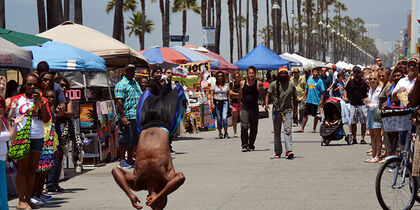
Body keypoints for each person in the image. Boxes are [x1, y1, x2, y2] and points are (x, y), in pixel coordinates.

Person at [111, 79, 187, 210]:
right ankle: (166, 80)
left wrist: (130, 195)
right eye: (155, 204)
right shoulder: (167, 179)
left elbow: (115, 170)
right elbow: (180, 177)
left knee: (150, 90)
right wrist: (160, 195)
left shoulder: (137, 183)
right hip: (165, 121)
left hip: (145, 123)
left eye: (150, 205)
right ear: (162, 200)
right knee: (172, 91)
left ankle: (157, 82)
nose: (149, 202)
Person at [10, 73, 51, 209]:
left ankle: (28, 199)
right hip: (22, 137)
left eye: (35, 84)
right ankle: (21, 201)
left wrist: (41, 103)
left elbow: (46, 119)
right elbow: (8, 114)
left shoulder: (42, 100)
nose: (32, 87)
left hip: (37, 137)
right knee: (22, 169)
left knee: (32, 170)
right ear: (24, 85)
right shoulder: (17, 99)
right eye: (29, 84)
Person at [32, 89, 59, 206]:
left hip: (49, 142)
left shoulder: (51, 109)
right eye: (48, 97)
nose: (51, 99)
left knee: (44, 170)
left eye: (53, 97)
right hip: (42, 141)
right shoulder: (41, 105)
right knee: (38, 170)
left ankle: (38, 194)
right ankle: (34, 194)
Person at [265, 67, 297, 159]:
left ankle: (289, 151)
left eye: (285, 73)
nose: (283, 75)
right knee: (277, 132)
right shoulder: (274, 84)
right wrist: (266, 104)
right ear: (278, 74)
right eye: (281, 73)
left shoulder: (291, 85)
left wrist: (295, 112)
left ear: (287, 75)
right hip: (276, 111)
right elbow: (268, 94)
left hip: (287, 111)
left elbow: (295, 99)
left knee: (287, 131)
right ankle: (278, 152)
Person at [115, 64, 143, 169]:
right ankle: (122, 160)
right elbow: (119, 101)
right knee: (124, 138)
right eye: (130, 71)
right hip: (127, 115)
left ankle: (130, 159)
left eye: (133, 71)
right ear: (125, 72)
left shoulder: (135, 83)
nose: (132, 73)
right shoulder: (121, 84)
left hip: (136, 116)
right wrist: (122, 116)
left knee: (133, 139)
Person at [0, 97, 23, 210]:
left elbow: (12, 136)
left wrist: (15, 125)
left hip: (3, 159)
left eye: (1, 107)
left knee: (2, 189)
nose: (0, 109)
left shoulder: (3, 121)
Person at [239, 66, 265, 152]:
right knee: (244, 125)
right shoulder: (242, 83)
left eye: (253, 73)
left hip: (254, 107)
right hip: (245, 107)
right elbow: (240, 93)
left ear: (255, 74)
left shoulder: (258, 84)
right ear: (247, 74)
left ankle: (251, 144)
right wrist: (240, 102)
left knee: (254, 128)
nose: (251, 75)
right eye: (249, 73)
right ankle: (244, 144)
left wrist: (263, 101)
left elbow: (262, 93)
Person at [343, 66, 369, 144]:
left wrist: (368, 98)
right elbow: (345, 89)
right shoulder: (350, 82)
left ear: (361, 73)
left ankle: (362, 138)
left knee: (363, 122)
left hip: (362, 105)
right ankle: (354, 138)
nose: (356, 74)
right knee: (353, 122)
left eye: (358, 72)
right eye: (355, 72)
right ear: (353, 73)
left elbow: (370, 90)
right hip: (353, 104)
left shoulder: (364, 82)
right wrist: (345, 97)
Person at [296, 67, 325, 133]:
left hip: (316, 101)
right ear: (312, 73)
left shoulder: (320, 81)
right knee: (305, 115)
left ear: (318, 73)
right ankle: (302, 128)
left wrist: (321, 100)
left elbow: (323, 91)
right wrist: (303, 97)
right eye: (314, 72)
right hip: (309, 100)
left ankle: (314, 128)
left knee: (316, 116)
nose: (315, 73)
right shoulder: (309, 79)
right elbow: (306, 89)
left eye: (317, 72)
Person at [364, 72, 382, 163]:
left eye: (374, 79)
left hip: (376, 113)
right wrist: (367, 103)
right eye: (370, 79)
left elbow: (379, 104)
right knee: (372, 135)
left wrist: (370, 105)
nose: (372, 80)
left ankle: (378, 155)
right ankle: (374, 154)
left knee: (378, 135)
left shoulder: (380, 90)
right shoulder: (370, 90)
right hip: (370, 113)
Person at [211, 71, 230, 139]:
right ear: (216, 77)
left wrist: (229, 103)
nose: (220, 77)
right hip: (217, 102)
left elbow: (228, 94)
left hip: (224, 101)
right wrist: (212, 103)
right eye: (219, 76)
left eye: (221, 76)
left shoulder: (226, 85)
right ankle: (220, 132)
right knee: (219, 118)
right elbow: (211, 94)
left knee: (224, 117)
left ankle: (226, 132)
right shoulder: (214, 85)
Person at [229, 71, 241, 137]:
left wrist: (235, 95)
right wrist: (238, 94)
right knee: (234, 119)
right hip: (234, 103)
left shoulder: (241, 83)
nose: (237, 78)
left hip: (241, 103)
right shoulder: (232, 84)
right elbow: (230, 93)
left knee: (243, 118)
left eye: (238, 76)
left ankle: (243, 131)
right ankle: (235, 132)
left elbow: (243, 94)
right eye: (235, 76)